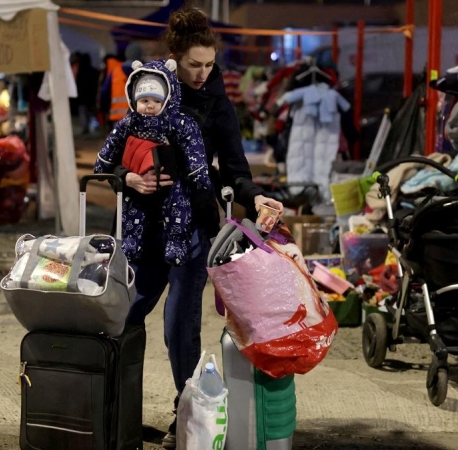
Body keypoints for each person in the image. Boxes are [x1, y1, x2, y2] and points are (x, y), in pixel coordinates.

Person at [102, 8, 284, 448]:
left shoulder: (218, 104)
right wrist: (128, 179)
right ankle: (110, 409)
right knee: (124, 315)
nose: (203, 73)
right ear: (175, 59)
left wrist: (255, 195)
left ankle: (185, 416)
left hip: (193, 228)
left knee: (178, 324)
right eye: (194, 65)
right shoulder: (148, 95)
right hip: (143, 226)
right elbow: (112, 159)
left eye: (209, 64)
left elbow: (236, 167)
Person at [94, 59, 212, 266]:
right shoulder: (128, 122)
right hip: (138, 186)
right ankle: (130, 243)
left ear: (166, 100)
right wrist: (104, 165)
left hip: (171, 184)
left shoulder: (178, 122)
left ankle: (176, 242)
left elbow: (193, 146)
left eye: (156, 101)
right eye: (144, 100)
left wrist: (198, 175)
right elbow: (111, 146)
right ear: (134, 99)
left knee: (178, 206)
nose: (150, 106)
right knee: (131, 210)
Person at [74, 53, 99, 136]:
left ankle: (85, 129)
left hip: (82, 97)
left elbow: (78, 85)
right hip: (91, 96)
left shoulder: (80, 72)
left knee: (83, 113)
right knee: (91, 113)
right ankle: (93, 128)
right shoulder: (94, 71)